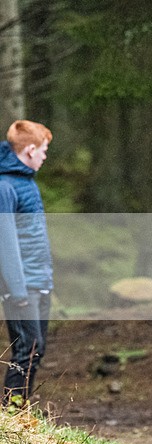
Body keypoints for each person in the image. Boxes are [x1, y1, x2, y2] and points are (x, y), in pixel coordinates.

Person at [0, 120, 53, 408]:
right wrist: (17, 291)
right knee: (26, 348)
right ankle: (12, 413)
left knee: (36, 348)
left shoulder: (26, 182)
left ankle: (21, 411)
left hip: (38, 281)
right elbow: (5, 244)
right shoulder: (5, 186)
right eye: (43, 150)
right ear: (30, 150)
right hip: (22, 287)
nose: (45, 156)